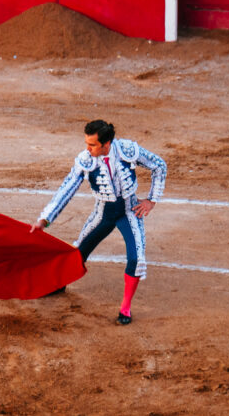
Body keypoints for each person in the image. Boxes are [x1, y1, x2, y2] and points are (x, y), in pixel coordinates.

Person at [31, 119, 167, 325]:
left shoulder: (128, 150)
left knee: (135, 259)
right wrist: (45, 219)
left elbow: (159, 165)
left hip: (129, 211)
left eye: (92, 145)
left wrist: (151, 200)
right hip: (103, 212)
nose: (88, 149)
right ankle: (60, 283)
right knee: (79, 251)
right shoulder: (85, 160)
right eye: (87, 143)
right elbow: (66, 189)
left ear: (107, 143)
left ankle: (125, 308)